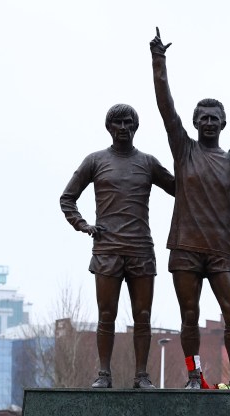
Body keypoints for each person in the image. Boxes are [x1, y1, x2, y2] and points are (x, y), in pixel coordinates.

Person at [149, 28, 230, 389]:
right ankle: (194, 374)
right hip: (185, 247)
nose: (209, 122)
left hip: (221, 249)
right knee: (189, 316)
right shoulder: (184, 149)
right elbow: (166, 108)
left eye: (215, 118)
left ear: (223, 123)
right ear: (195, 123)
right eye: (203, 117)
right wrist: (158, 62)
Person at [60, 104, 176, 389]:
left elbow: (180, 190)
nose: (123, 127)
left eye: (128, 122)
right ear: (109, 127)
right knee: (106, 315)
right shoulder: (95, 161)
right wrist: (83, 224)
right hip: (107, 249)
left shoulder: (148, 162)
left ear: (135, 127)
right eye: (117, 123)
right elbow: (67, 198)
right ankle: (103, 374)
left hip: (140, 249)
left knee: (143, 317)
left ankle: (141, 375)